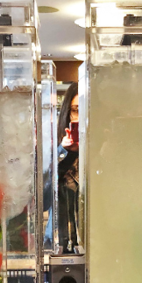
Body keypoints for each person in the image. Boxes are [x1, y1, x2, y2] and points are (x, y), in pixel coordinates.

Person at [55, 82, 80, 253]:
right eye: (76, 110)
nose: (80, 117)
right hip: (61, 247)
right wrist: (65, 153)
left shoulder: (107, 151)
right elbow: (42, 198)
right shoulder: (55, 151)